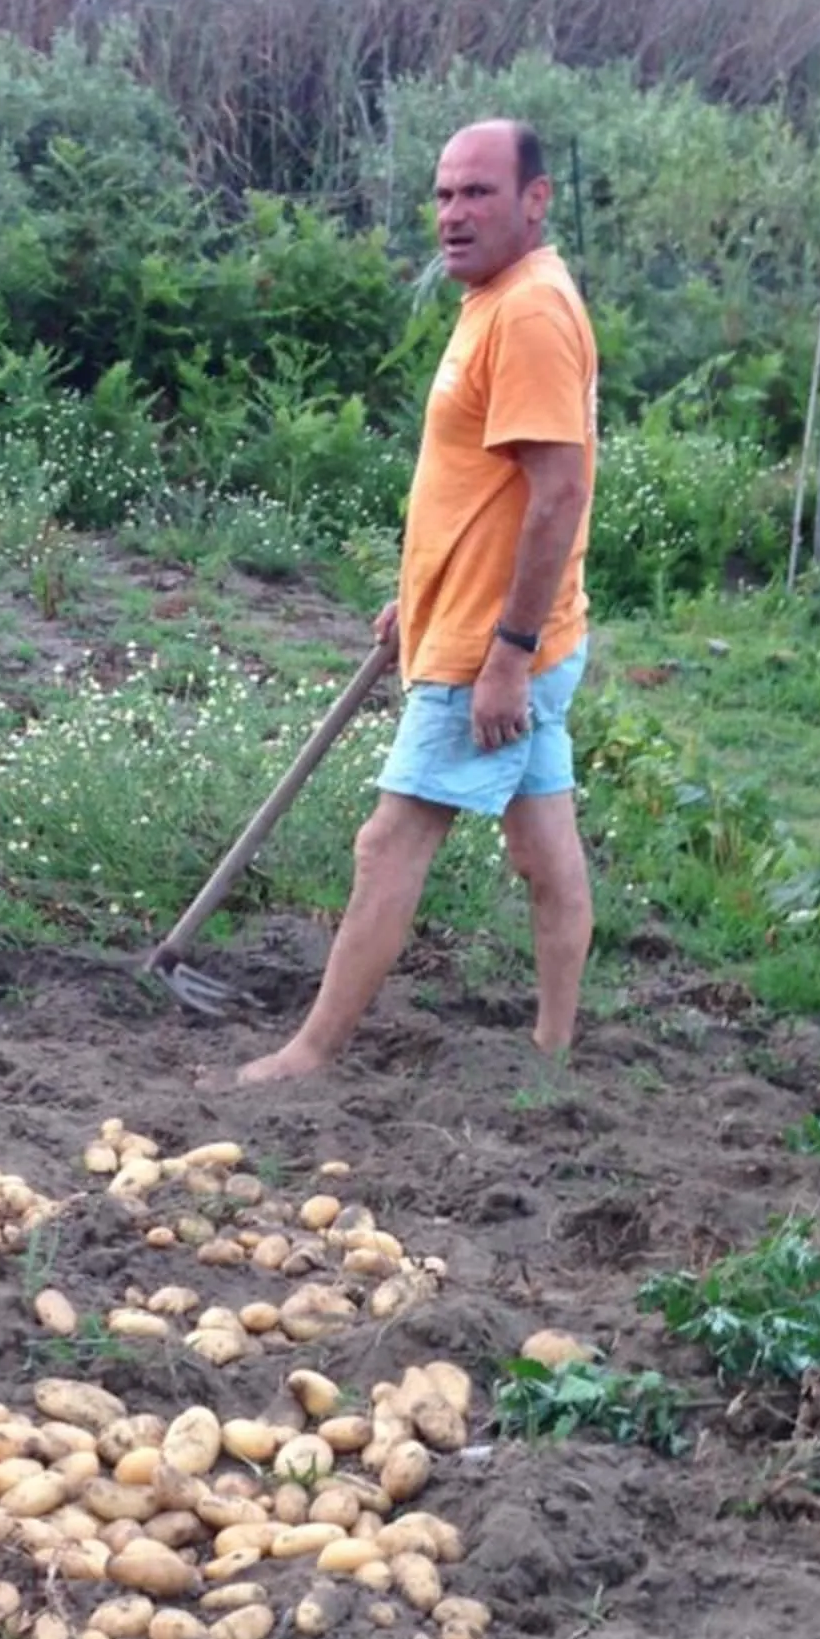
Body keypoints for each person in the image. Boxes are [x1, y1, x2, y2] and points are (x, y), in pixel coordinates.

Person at [238, 118, 598, 1086]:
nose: (452, 214)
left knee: (388, 841)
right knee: (542, 847)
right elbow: (486, 485)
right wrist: (418, 595)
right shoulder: (496, 298)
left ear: (535, 199)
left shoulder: (527, 313)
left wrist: (507, 653)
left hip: (495, 647)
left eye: (477, 193)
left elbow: (559, 491)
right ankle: (553, 1054)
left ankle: (310, 1055)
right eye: (442, 194)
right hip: (486, 625)